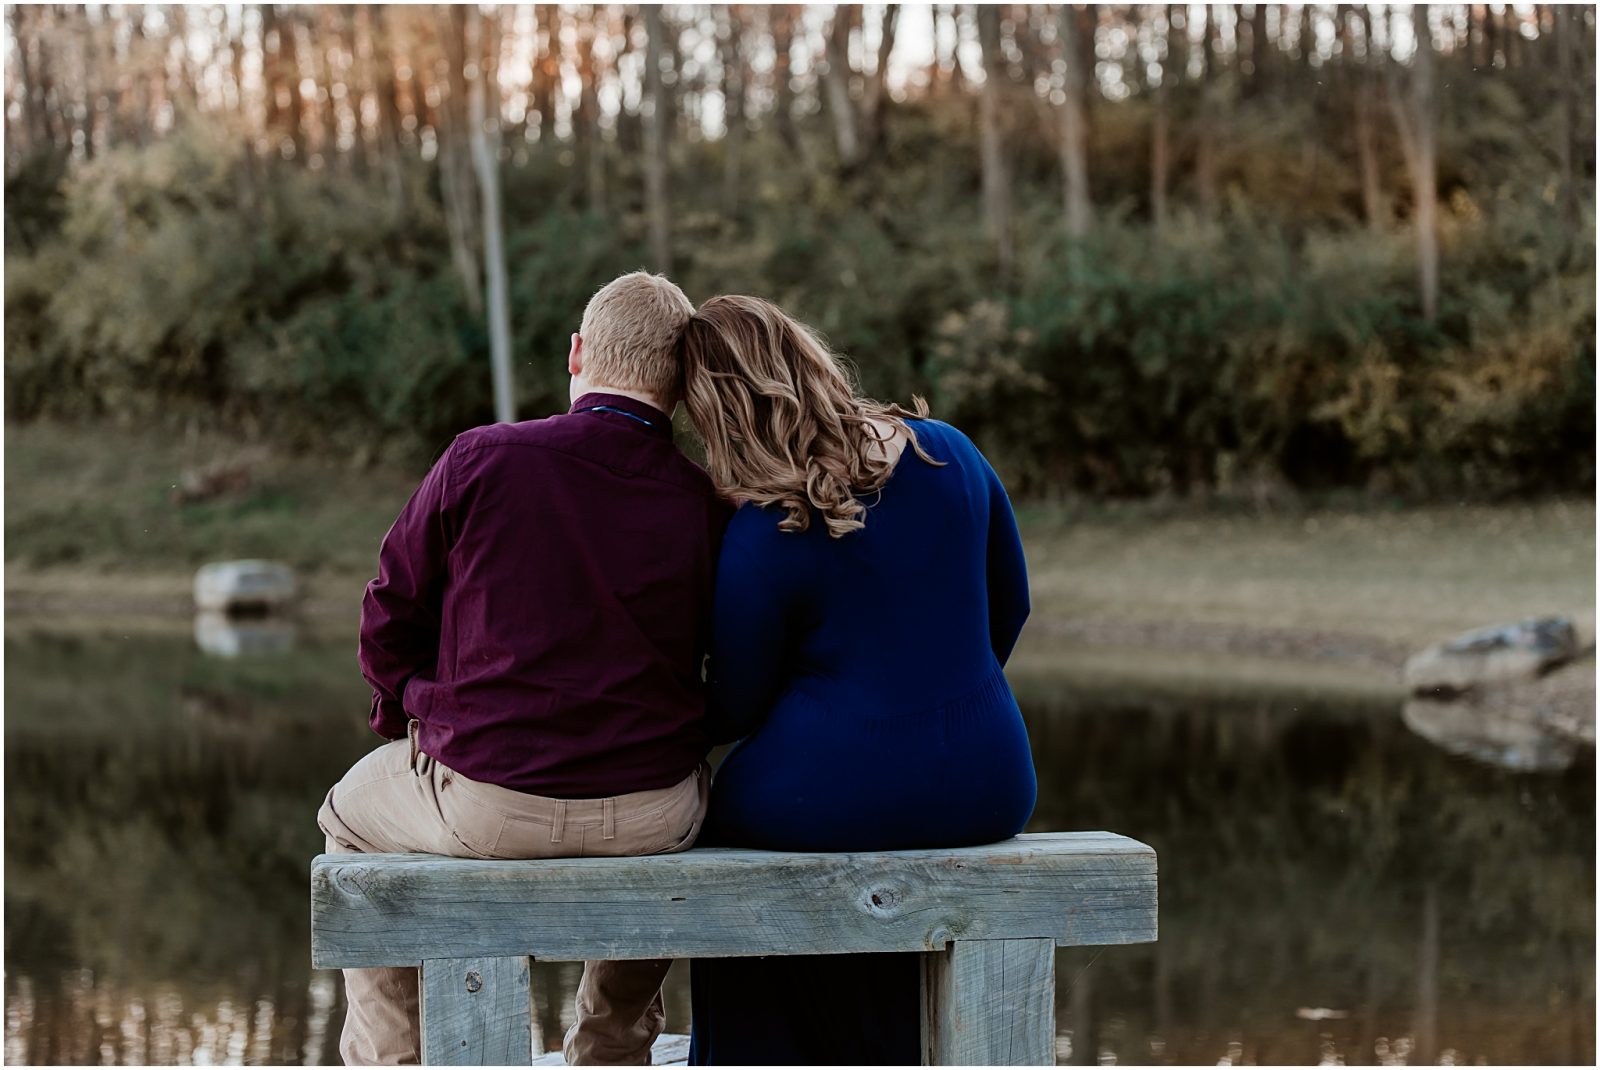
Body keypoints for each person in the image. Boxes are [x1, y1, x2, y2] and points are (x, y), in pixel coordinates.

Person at [316, 271, 730, 1066]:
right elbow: (733, 660)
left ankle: (399, 1060)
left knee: (349, 819)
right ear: (680, 387)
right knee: (662, 832)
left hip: (490, 803)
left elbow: (389, 609)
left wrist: (410, 713)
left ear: (577, 352)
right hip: (655, 811)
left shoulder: (484, 458)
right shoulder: (704, 500)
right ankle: (608, 1049)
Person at [675, 295, 1039, 1065]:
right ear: (808, 358)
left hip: (828, 788)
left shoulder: (766, 530)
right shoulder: (952, 452)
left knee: (719, 829)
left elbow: (735, 706)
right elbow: (1011, 604)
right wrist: (938, 697)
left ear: (724, 414)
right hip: (991, 781)